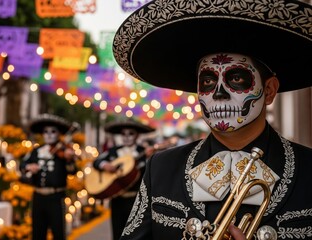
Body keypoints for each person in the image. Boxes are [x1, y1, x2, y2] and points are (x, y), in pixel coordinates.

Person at [111, 0, 312, 239]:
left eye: (236, 79)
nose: (218, 93)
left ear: (269, 91)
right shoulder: (162, 168)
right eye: (207, 81)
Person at [92, 119, 155, 240]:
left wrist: (149, 158)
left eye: (130, 133)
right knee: (117, 232)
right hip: (117, 199)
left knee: (138, 233)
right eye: (123, 134)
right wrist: (105, 165)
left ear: (137, 135)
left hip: (137, 199)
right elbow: (96, 161)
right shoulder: (113, 151)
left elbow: (150, 172)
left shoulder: (144, 151)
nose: (126, 137)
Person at [19, 113, 76, 240]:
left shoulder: (63, 151)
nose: (49, 134)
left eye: (53, 131)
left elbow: (73, 171)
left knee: (58, 232)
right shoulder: (36, 151)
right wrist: (28, 167)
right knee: (38, 232)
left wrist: (69, 160)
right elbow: (22, 164)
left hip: (56, 197)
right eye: (46, 131)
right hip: (38, 197)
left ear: (58, 134)